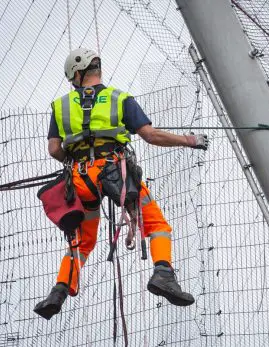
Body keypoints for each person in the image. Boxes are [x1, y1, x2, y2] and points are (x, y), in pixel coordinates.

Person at [34, 48, 208, 320]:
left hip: (81, 178)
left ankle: (60, 289)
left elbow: (54, 149)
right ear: (96, 70)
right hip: (117, 172)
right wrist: (189, 140)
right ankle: (163, 273)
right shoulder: (120, 99)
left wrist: (76, 161)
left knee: (82, 241)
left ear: (76, 75)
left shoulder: (60, 105)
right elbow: (150, 135)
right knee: (157, 225)